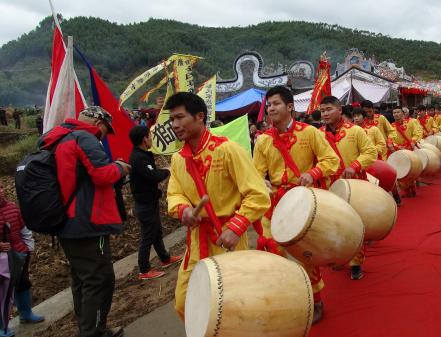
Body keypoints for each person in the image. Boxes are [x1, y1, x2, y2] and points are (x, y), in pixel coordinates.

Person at [165, 92, 270, 321]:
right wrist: (184, 210)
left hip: (227, 237)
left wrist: (236, 226)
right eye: (172, 119)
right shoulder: (178, 159)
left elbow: (258, 194)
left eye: (180, 117)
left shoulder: (227, 149)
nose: (174, 124)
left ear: (200, 116)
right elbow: (175, 194)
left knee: (233, 305)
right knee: (185, 303)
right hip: (197, 240)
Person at [38, 106, 130, 337]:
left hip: (65, 221)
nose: (103, 135)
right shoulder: (84, 137)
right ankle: (94, 332)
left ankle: (87, 328)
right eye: (104, 130)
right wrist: (120, 167)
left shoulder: (56, 138)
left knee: (81, 279)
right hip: (87, 223)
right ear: (98, 122)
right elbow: (102, 175)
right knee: (100, 279)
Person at [253, 86, 339, 324]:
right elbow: (256, 173)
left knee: (304, 254)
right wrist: (261, 182)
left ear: (290, 107)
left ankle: (316, 299)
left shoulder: (309, 133)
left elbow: (331, 160)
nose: (271, 108)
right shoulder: (262, 140)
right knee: (270, 250)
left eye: (276, 103)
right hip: (274, 204)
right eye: (268, 104)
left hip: (302, 202)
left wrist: (313, 172)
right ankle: (285, 297)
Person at [320, 96, 377, 281]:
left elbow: (370, 152)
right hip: (330, 187)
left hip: (354, 186)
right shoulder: (318, 134)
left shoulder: (356, 131)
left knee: (354, 223)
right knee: (335, 225)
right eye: (322, 111)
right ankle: (340, 256)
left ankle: (355, 263)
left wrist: (355, 166)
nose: (325, 113)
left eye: (329, 109)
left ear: (339, 110)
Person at [128, 126, 181, 280]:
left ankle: (165, 259)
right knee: (147, 237)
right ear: (144, 139)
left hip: (150, 201)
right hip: (144, 204)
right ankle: (144, 270)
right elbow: (153, 176)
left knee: (156, 232)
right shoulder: (139, 158)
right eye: (149, 136)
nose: (151, 139)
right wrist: (168, 170)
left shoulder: (143, 154)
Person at [0, 182, 45, 336]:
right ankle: (2, 327)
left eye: (0, 187)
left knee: (22, 283)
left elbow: (23, 228)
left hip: (19, 254)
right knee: (2, 291)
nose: (0, 190)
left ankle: (26, 314)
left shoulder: (12, 207)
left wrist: (28, 247)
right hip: (1, 259)